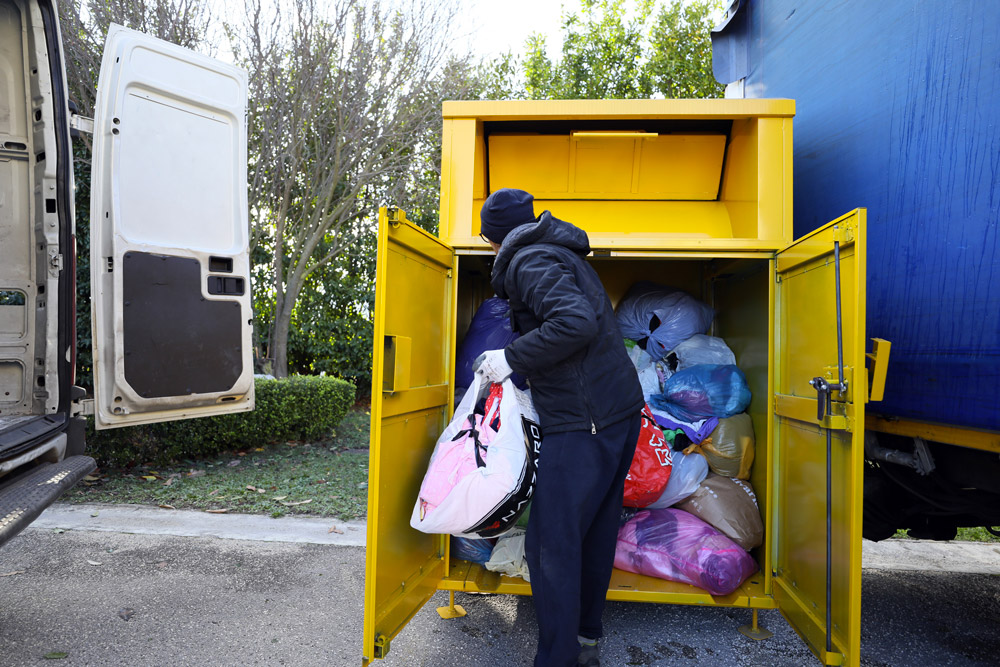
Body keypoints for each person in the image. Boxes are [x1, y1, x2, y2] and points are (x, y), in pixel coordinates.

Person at [473, 188, 644, 667]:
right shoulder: (557, 251)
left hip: (585, 420)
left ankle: (557, 659)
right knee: (592, 530)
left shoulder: (529, 261)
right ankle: (585, 638)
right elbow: (574, 328)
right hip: (617, 412)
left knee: (551, 542)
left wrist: (510, 358)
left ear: (495, 238)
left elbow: (574, 324)